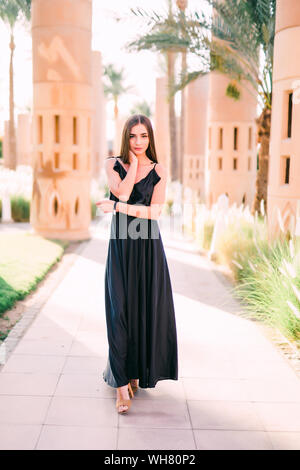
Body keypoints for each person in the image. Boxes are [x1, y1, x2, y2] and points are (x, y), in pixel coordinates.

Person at [96, 114, 178, 414]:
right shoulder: (113, 164)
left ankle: (131, 374)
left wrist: (117, 207)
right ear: (126, 138)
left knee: (141, 310)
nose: (139, 142)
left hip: (147, 248)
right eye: (133, 136)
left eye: (144, 136)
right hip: (120, 246)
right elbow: (123, 191)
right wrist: (130, 165)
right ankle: (120, 386)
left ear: (150, 138)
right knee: (119, 310)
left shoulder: (159, 171)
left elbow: (154, 214)